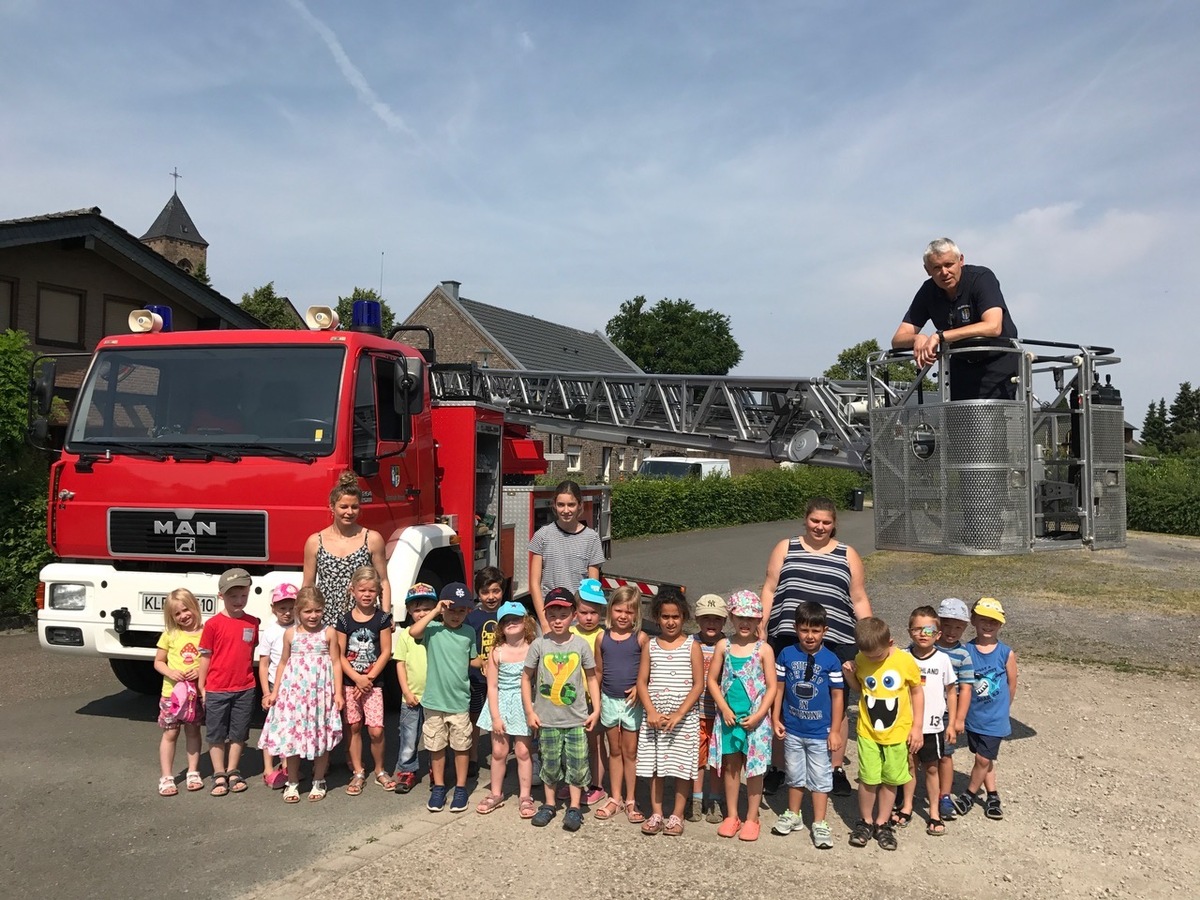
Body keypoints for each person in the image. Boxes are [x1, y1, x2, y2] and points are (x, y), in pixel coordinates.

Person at [761, 497, 870, 795]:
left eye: (826, 522)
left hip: (837, 640)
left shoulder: (848, 554)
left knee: (838, 700)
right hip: (787, 634)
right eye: (815, 521)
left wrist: (872, 636)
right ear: (805, 519)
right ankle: (779, 767)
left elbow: (858, 598)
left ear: (834, 524)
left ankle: (835, 768)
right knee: (783, 701)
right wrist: (762, 625)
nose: (820, 527)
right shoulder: (786, 547)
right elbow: (770, 588)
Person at [891, 237, 1020, 401]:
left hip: (997, 364)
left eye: (948, 265)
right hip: (959, 367)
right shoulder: (928, 291)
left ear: (961, 261)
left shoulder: (981, 278)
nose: (944, 272)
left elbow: (993, 326)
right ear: (927, 270)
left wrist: (939, 336)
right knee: (956, 423)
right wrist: (917, 338)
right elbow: (897, 340)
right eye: (936, 267)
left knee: (990, 423)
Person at [841, 616, 923, 851]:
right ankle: (865, 821)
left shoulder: (904, 661)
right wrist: (849, 675)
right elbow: (860, 688)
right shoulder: (861, 658)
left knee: (891, 779)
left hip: (898, 733)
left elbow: (917, 692)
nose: (873, 659)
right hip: (868, 732)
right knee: (868, 779)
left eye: (878, 655)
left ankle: (882, 822)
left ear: (891, 642)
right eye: (868, 656)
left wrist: (917, 727)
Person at [522, 587, 600, 832]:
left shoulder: (580, 645)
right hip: (546, 719)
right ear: (545, 616)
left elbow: (592, 677)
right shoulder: (538, 644)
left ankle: (575, 807)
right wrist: (529, 711)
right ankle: (549, 804)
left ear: (573, 616)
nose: (557, 620)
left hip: (576, 718)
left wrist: (596, 709)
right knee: (550, 764)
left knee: (577, 763)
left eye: (563, 615)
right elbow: (526, 678)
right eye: (552, 615)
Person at [258, 587, 345, 803]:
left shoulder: (329, 632)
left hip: (321, 693)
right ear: (299, 611)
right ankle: (293, 781)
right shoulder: (291, 634)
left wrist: (338, 693)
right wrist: (274, 692)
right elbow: (283, 663)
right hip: (294, 694)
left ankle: (318, 779)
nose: (313, 616)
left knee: (320, 735)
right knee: (293, 737)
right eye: (307, 612)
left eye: (317, 611)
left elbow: (336, 662)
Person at [770, 601, 845, 849]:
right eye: (804, 630)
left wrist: (835, 730)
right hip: (792, 728)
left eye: (815, 630)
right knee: (794, 774)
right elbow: (779, 688)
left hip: (819, 733)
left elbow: (837, 696)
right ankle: (794, 814)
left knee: (821, 777)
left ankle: (820, 822)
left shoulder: (831, 660)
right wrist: (775, 716)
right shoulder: (786, 654)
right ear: (796, 628)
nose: (809, 636)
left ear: (824, 630)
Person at [708, 590, 777, 842]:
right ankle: (732, 815)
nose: (745, 623)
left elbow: (771, 687)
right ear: (731, 618)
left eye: (751, 618)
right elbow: (712, 681)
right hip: (728, 719)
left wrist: (760, 714)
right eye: (740, 617)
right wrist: (724, 709)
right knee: (731, 767)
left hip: (755, 722)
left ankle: (752, 817)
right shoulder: (723, 646)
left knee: (755, 770)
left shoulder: (764, 650)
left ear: (759, 620)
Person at [635, 588, 704, 837]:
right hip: (655, 718)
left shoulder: (691, 647)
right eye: (665, 617)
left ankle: (677, 814)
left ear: (684, 617)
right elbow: (642, 681)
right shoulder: (651, 646)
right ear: (657, 617)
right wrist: (651, 711)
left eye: (675, 617)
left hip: (683, 719)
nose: (670, 622)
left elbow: (699, 685)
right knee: (656, 767)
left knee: (681, 767)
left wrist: (679, 714)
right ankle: (656, 813)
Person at [408, 582, 477, 814]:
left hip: (459, 701)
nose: (456, 615)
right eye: (451, 610)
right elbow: (413, 632)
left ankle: (460, 787)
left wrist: (490, 662)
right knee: (436, 746)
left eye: (461, 610)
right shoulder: (433, 630)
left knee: (461, 746)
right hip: (434, 701)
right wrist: (435, 611)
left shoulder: (469, 633)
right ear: (443, 609)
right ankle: (439, 786)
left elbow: (472, 659)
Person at [952, 597, 1018, 821]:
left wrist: (1003, 710)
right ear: (973, 620)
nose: (988, 625)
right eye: (983, 620)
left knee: (981, 759)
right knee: (984, 758)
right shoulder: (966, 650)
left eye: (993, 621)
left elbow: (1012, 683)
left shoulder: (1005, 653)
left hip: (995, 719)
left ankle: (969, 794)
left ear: (1000, 625)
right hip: (973, 716)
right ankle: (992, 795)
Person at [197, 568, 261, 797]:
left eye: (243, 595)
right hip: (217, 687)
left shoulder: (252, 623)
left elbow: (250, 651)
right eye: (233, 596)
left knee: (239, 732)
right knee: (216, 732)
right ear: (221, 596)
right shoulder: (213, 625)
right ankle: (218, 773)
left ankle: (233, 770)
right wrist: (202, 685)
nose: (239, 601)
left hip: (245, 687)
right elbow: (205, 656)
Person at [895, 606, 956, 836]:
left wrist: (951, 723)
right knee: (909, 767)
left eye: (928, 630)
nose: (922, 634)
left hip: (933, 727)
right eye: (917, 629)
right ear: (909, 631)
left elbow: (951, 691)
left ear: (937, 635)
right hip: (906, 726)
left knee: (932, 769)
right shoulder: (901, 657)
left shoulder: (943, 660)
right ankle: (907, 806)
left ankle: (934, 812)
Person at [303, 471, 391, 627]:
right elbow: (308, 585)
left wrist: (385, 615)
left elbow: (383, 581)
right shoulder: (315, 541)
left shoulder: (372, 539)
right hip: (326, 620)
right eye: (343, 506)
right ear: (332, 507)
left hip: (363, 618)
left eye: (354, 507)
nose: (349, 512)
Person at [336, 567, 395, 795]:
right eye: (362, 590)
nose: (367, 594)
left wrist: (368, 679)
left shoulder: (382, 619)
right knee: (353, 726)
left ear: (379, 592)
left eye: (372, 590)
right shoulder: (344, 620)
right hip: (351, 683)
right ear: (353, 591)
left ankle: (380, 770)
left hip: (373, 684)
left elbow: (386, 651)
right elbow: (339, 654)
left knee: (376, 731)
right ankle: (358, 771)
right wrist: (356, 679)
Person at [592, 584, 647, 824]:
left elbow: (648, 672)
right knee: (614, 750)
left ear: (636, 615)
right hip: (608, 700)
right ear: (610, 610)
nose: (623, 616)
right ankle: (615, 797)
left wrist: (638, 689)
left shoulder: (641, 639)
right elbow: (598, 672)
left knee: (630, 752)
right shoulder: (601, 637)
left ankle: (631, 799)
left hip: (632, 703)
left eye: (629, 611)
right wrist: (595, 703)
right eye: (618, 610)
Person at [475, 601, 535, 816]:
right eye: (506, 621)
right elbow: (491, 686)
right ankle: (496, 793)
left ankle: (525, 796)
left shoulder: (533, 648)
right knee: (499, 752)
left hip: (524, 703)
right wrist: (495, 716)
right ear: (500, 627)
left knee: (523, 751)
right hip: (500, 704)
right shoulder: (496, 652)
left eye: (516, 619)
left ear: (525, 621)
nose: (511, 623)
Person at [528, 480, 604, 633]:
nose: (566, 510)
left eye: (571, 505)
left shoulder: (591, 538)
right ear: (554, 505)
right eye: (561, 505)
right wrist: (543, 621)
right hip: (550, 617)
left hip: (577, 621)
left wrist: (584, 619)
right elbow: (534, 584)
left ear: (580, 505)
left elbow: (592, 586)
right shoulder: (543, 535)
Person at [153, 588, 205, 796]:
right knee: (170, 732)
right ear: (171, 617)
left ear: (194, 606)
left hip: (195, 695)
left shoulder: (205, 632)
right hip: (172, 694)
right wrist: (170, 672)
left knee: (193, 731)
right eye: (177, 614)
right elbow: (158, 661)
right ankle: (166, 776)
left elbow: (211, 660)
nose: (183, 616)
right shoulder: (170, 635)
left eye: (186, 610)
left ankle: (193, 771)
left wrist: (200, 672)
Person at [392, 583, 438, 794]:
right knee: (409, 736)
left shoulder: (439, 631)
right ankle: (406, 770)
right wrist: (406, 692)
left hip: (435, 696)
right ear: (409, 611)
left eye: (426, 608)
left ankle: (436, 769)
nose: (421, 613)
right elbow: (400, 664)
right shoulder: (405, 635)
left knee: (436, 735)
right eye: (417, 609)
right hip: (411, 696)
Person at [935, 597, 975, 822]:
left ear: (965, 627)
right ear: (938, 622)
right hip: (923, 710)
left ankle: (945, 795)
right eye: (947, 625)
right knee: (915, 754)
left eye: (958, 626)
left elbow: (966, 689)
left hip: (947, 714)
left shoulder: (963, 655)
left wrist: (959, 719)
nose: (951, 631)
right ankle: (906, 792)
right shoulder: (923, 646)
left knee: (946, 756)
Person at [690, 593, 726, 824]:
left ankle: (714, 798)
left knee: (717, 759)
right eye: (705, 618)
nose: (710, 623)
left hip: (721, 714)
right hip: (695, 712)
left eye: (716, 619)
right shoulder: (690, 643)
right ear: (697, 619)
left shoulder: (729, 645)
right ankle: (695, 798)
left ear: (724, 621)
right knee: (697, 758)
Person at [256, 583, 297, 789]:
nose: (287, 613)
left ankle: (286, 766)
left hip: (295, 686)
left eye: (291, 607)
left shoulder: (300, 628)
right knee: (272, 727)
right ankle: (267, 768)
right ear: (273, 609)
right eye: (282, 608)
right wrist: (266, 692)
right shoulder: (270, 632)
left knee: (290, 728)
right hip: (275, 685)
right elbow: (263, 664)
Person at [572, 577, 608, 807]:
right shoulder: (570, 633)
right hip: (571, 700)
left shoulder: (604, 635)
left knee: (595, 745)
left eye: (594, 613)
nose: (588, 618)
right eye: (584, 612)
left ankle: (597, 785)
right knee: (573, 744)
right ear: (575, 611)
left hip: (595, 700)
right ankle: (573, 782)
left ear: (602, 613)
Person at [467, 566, 505, 777]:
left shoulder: (508, 615)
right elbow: (465, 647)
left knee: (496, 719)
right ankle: (473, 757)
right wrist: (478, 662)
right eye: (485, 592)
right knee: (473, 717)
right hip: (476, 678)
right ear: (478, 593)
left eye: (496, 591)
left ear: (503, 591)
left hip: (501, 680)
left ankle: (498, 756)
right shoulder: (471, 618)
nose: (491, 597)